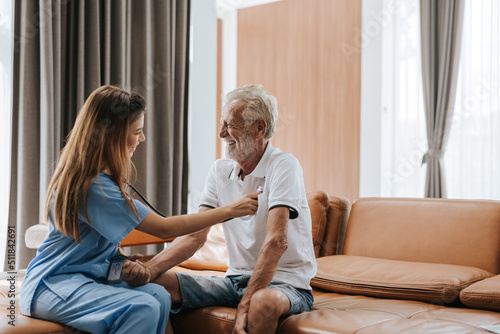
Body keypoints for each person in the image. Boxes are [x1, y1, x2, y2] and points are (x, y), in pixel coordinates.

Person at [20, 85, 259, 334]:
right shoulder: (93, 186)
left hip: (84, 278)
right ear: (112, 135)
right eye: (137, 131)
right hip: (52, 284)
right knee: (142, 306)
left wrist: (118, 259)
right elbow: (163, 227)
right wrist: (231, 210)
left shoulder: (99, 179)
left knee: (159, 296)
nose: (142, 139)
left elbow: (93, 243)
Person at [122, 85, 317, 334]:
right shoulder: (220, 170)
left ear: (260, 128)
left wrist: (245, 305)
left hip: (286, 286)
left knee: (262, 301)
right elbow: (195, 235)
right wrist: (149, 269)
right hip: (233, 282)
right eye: (221, 123)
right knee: (152, 284)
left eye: (229, 124)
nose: (221, 133)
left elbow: (276, 240)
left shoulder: (284, 165)